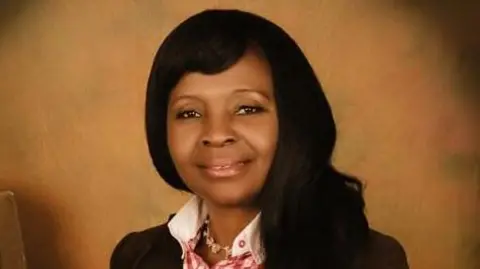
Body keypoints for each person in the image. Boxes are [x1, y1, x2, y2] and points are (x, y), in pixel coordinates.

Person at [110, 9, 409, 269]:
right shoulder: (136, 257)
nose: (216, 134)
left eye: (247, 108)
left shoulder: (367, 259)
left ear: (294, 119)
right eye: (189, 113)